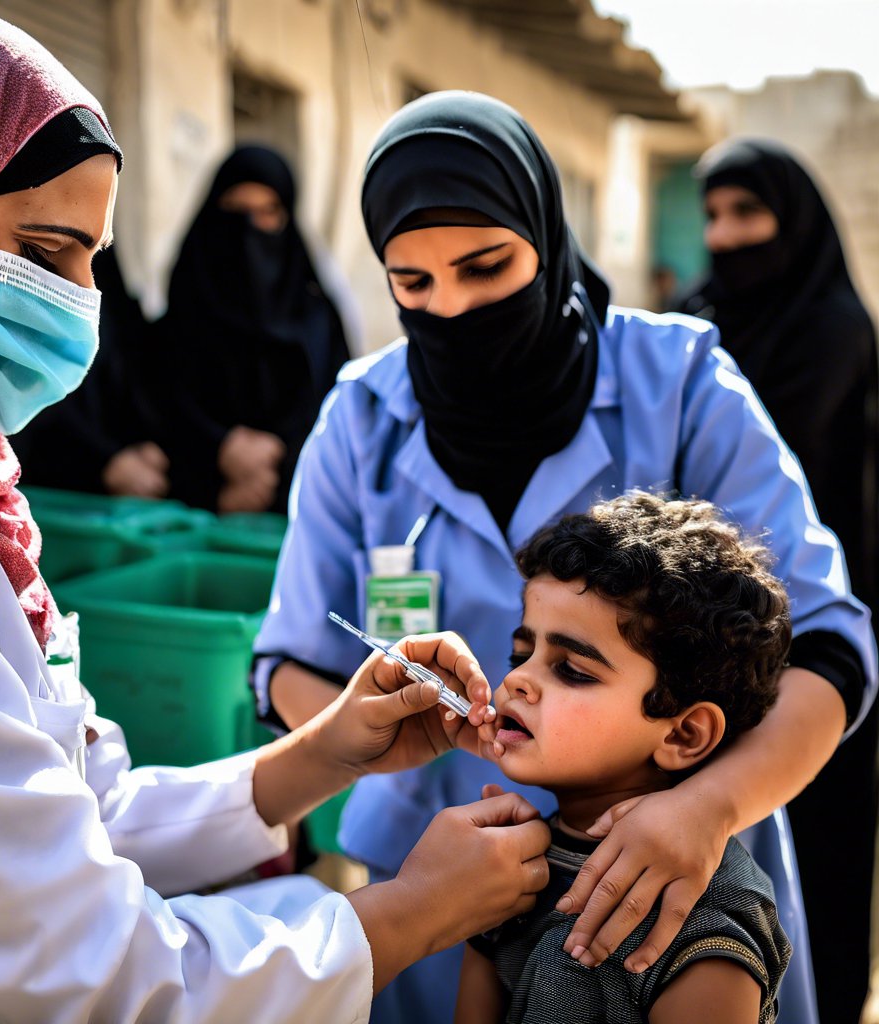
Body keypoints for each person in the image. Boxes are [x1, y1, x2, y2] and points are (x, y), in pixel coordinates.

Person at [0, 6, 553, 1021]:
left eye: (94, 257)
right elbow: (91, 968)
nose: (80, 308)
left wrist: (317, 754)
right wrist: (412, 911)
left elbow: (75, 821)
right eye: (44, 255)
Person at [252, 90, 877, 1024]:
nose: (453, 309)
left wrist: (703, 811)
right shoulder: (361, 416)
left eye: (486, 265)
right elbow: (294, 661)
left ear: (545, 233)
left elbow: (826, 648)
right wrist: (387, 729)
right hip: (441, 868)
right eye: (412, 285)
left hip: (668, 870)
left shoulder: (680, 384)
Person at [675, 138, 879, 1021]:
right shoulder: (696, 327)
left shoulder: (832, 328)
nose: (725, 236)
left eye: (747, 214)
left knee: (819, 830)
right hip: (710, 629)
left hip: (814, 634)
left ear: (791, 224)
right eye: (713, 216)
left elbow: (750, 473)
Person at [456, 492, 792, 1024]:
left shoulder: (705, 921)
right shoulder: (504, 872)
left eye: (572, 670)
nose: (517, 680)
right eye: (521, 655)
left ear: (684, 734)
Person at [145, 144, 353, 514]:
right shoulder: (180, 321)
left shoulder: (319, 323)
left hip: (307, 517)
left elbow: (341, 422)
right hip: (193, 528)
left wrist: (275, 470)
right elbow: (155, 416)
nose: (249, 232)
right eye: (236, 212)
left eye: (267, 212)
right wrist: (219, 452)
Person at [13, 246, 172, 499]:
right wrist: (103, 459)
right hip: (37, 483)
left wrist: (138, 444)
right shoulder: (30, 264)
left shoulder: (111, 263)